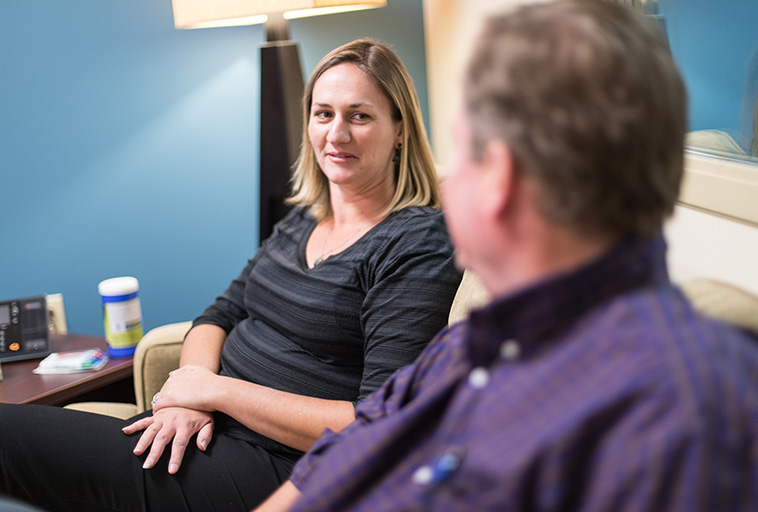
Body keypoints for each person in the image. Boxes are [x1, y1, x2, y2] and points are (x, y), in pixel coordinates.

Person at [255, 2, 758, 511]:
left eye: (461, 155)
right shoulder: (472, 343)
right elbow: (344, 453)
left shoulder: (680, 413)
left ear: (500, 178)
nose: (445, 186)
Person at [0, 39, 461, 511]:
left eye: (359, 116)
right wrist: (188, 392)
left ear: (400, 128)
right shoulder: (303, 219)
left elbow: (380, 423)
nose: (336, 134)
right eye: (323, 114)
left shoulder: (416, 243)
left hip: (282, 468)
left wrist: (217, 391)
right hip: (199, 429)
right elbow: (219, 314)